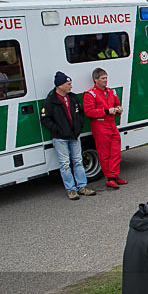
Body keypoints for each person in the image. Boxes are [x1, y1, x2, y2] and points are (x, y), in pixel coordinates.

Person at [41, 72, 96, 200]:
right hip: (60, 138)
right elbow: (45, 119)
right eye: (68, 84)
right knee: (65, 163)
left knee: (78, 161)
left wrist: (78, 128)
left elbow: (79, 114)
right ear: (60, 86)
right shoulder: (51, 100)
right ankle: (71, 189)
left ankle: (82, 186)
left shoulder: (72, 98)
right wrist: (59, 130)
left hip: (74, 135)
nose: (71, 86)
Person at [83, 68, 125, 189]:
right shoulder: (90, 94)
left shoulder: (111, 92)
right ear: (95, 79)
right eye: (103, 78)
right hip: (100, 125)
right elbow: (89, 112)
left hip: (111, 124)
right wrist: (106, 111)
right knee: (104, 153)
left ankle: (114, 175)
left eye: (106, 78)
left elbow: (117, 103)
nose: (105, 80)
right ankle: (110, 178)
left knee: (116, 151)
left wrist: (119, 109)